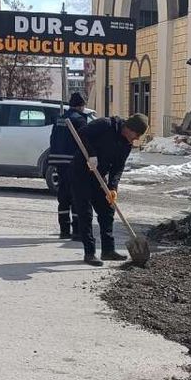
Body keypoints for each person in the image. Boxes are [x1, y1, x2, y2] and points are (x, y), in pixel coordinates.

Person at [69, 113, 148, 266]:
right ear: (129, 128)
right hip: (80, 171)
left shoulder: (127, 144)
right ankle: (90, 253)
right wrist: (91, 155)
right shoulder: (105, 125)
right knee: (85, 212)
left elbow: (118, 168)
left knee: (107, 209)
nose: (137, 138)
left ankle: (108, 250)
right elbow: (82, 134)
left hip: (99, 175)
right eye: (137, 134)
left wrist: (113, 188)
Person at [47, 92, 88, 239]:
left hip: (59, 161)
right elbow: (85, 140)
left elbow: (53, 138)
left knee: (63, 195)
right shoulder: (80, 119)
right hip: (74, 162)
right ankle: (77, 230)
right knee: (77, 195)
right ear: (81, 106)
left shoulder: (60, 119)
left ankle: (64, 230)